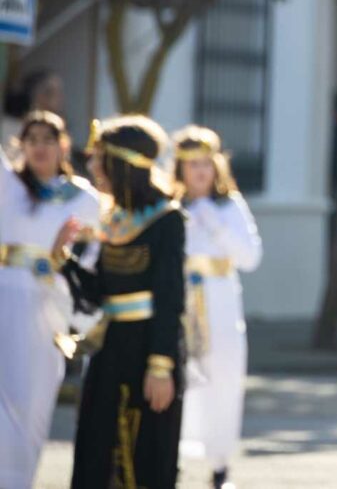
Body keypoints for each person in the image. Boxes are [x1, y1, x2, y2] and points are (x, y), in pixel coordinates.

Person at [55, 116, 186, 489]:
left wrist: (161, 367)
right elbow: (100, 294)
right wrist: (65, 259)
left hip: (148, 350)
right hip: (110, 349)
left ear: (122, 164)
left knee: (143, 455)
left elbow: (170, 297)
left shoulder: (167, 219)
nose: (93, 166)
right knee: (98, 450)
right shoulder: (113, 219)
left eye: (100, 158)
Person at [0, 111, 100, 489]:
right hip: (4, 298)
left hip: (49, 307)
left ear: (63, 144)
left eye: (47, 139)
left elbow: (91, 263)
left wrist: (62, 269)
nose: (39, 147)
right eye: (31, 139)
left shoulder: (83, 198)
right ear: (21, 146)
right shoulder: (9, 187)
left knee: (34, 402)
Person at [173, 125, 262, 489]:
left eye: (206, 163)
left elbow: (251, 257)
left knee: (223, 377)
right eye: (191, 164)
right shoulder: (172, 207)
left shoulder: (230, 206)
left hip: (221, 302)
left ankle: (220, 465)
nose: (199, 171)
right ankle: (173, 459)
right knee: (181, 377)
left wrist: (217, 226)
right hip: (181, 301)